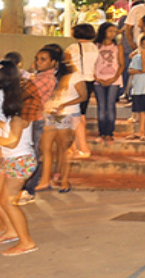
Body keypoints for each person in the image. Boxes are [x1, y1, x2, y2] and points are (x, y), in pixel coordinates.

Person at [0, 59, 39, 256]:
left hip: (19, 160)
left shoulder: (18, 117)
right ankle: (12, 231)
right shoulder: (14, 117)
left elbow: (12, 142)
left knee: (9, 201)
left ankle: (26, 241)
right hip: (12, 160)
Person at [35, 49, 84, 194]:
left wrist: (64, 105)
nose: (38, 62)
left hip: (65, 114)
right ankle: (46, 180)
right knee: (46, 148)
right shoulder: (48, 76)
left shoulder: (74, 76)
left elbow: (83, 96)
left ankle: (64, 179)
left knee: (63, 148)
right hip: (51, 113)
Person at [17, 46, 60, 206]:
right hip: (33, 118)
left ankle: (29, 189)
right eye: (37, 59)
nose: (38, 62)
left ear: (53, 62)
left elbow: (25, 94)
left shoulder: (44, 79)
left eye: (43, 59)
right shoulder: (38, 77)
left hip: (36, 119)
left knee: (32, 154)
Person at [64, 24, 98, 158]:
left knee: (75, 114)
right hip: (89, 80)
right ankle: (76, 146)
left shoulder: (71, 48)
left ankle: (78, 147)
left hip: (75, 81)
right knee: (81, 113)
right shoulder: (94, 48)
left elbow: (67, 65)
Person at [92, 22, 125, 142]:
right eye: (110, 31)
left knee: (110, 106)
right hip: (98, 79)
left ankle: (109, 132)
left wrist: (114, 78)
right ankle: (102, 132)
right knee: (101, 106)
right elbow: (92, 64)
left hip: (114, 80)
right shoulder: (96, 46)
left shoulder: (118, 47)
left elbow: (121, 64)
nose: (112, 34)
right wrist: (96, 78)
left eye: (114, 32)